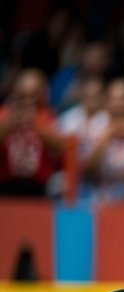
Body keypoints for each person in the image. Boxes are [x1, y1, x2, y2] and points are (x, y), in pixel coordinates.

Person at [82, 78, 124, 201]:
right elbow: (88, 169)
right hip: (103, 197)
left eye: (123, 98)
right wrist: (107, 136)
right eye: (114, 98)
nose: (118, 103)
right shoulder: (94, 127)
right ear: (106, 101)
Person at [0, 69, 65, 197]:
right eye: (23, 95)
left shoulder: (48, 117)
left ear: (41, 94)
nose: (28, 101)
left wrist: (35, 125)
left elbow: (60, 149)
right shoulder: (3, 113)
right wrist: (9, 126)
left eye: (32, 95)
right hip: (5, 186)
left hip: (38, 188)